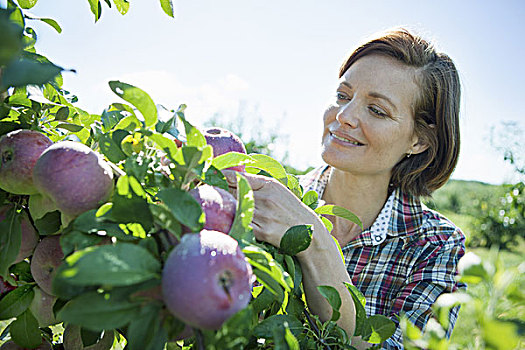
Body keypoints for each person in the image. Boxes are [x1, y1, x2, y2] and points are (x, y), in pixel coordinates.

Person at [224, 28, 465, 349]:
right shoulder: (271, 202)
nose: (344, 115)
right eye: (342, 96)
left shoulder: (435, 245)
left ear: (418, 140)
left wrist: (314, 241)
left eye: (377, 110)